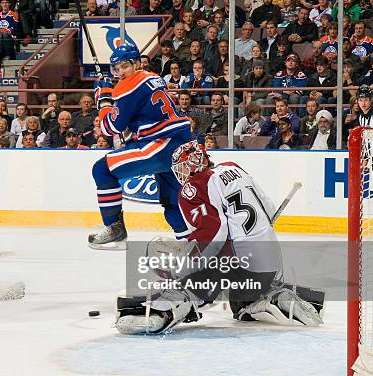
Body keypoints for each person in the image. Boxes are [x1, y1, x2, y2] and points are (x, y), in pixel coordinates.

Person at [114, 141, 323, 334]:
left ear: (195, 163)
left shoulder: (193, 187)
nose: (181, 173)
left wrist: (183, 272)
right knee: (240, 304)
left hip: (238, 263)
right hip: (270, 264)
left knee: (181, 270)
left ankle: (166, 308)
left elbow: (213, 235)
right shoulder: (233, 167)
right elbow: (268, 208)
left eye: (183, 166)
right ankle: (272, 297)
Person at [89, 43, 192, 250]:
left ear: (137, 63)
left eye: (125, 66)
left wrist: (103, 101)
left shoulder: (129, 86)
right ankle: (191, 243)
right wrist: (112, 96)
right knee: (172, 200)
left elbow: (111, 128)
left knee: (102, 170)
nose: (121, 72)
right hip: (181, 142)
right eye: (116, 69)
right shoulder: (153, 77)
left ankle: (114, 228)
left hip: (161, 144)